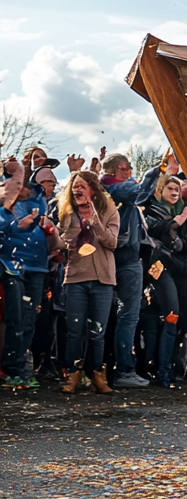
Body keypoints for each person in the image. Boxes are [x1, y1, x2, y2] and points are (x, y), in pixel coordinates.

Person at [99, 152, 162, 389]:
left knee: (121, 317)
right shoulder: (114, 189)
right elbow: (141, 193)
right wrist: (155, 171)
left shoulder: (109, 188)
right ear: (116, 170)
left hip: (127, 258)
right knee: (125, 317)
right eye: (126, 168)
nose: (130, 172)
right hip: (122, 260)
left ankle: (114, 368)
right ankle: (123, 370)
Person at [55, 171, 121, 394]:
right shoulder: (66, 214)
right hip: (75, 278)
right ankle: (72, 375)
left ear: (93, 189)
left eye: (82, 186)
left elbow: (112, 243)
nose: (78, 190)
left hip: (103, 279)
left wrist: (94, 221)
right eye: (75, 187)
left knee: (98, 331)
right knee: (74, 331)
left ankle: (97, 374)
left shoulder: (109, 211)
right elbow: (61, 244)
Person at [1, 158, 58, 389]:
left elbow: (41, 215)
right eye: (16, 176)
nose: (22, 186)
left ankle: (22, 370)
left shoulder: (36, 196)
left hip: (37, 265)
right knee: (16, 319)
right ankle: (12, 369)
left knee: (30, 318)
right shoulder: (5, 196)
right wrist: (17, 227)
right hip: (12, 265)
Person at [143, 174, 187, 387]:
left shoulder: (186, 212)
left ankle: (171, 367)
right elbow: (152, 231)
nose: (174, 192)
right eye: (170, 188)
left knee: (181, 319)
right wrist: (173, 225)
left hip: (181, 269)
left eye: (177, 189)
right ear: (160, 190)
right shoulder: (150, 209)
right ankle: (161, 371)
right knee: (170, 315)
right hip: (159, 269)